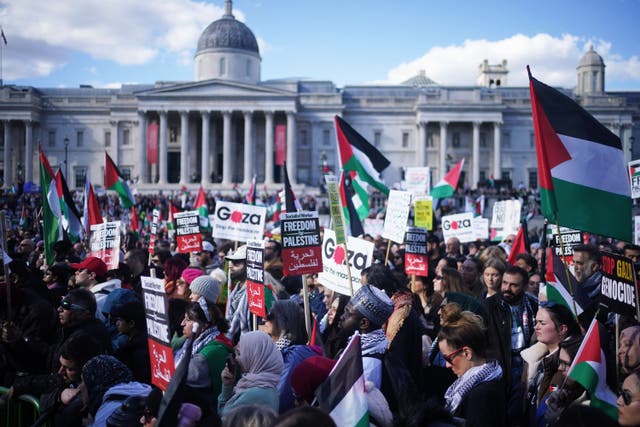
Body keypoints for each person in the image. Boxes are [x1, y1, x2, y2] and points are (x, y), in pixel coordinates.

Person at [484, 265, 538, 424]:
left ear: (525, 286)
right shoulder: (489, 306)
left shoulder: (534, 306)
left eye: (514, 285)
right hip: (499, 369)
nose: (507, 288)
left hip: (525, 366)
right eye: (505, 283)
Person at [437, 304, 506, 427]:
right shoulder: (483, 381)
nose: (447, 365)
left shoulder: (480, 395)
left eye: (448, 358)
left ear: (467, 353)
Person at [521, 302, 581, 427]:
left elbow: (549, 399)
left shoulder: (568, 363)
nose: (536, 327)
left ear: (562, 329)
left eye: (542, 323)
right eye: (536, 322)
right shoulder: (533, 356)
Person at [174, 299, 233, 419]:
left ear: (204, 325)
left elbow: (176, 378)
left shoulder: (205, 356)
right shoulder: (209, 340)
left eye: (188, 319)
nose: (182, 323)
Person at [264, 300, 319, 413]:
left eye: (270, 316)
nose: (265, 319)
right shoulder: (280, 351)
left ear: (284, 321)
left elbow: (280, 399)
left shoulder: (292, 356)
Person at [339, 284, 394, 389]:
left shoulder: (368, 363)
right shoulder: (367, 349)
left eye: (348, 313)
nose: (342, 317)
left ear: (364, 323)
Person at [218, 331, 284, 418]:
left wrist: (226, 389)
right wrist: (228, 384)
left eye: (239, 353)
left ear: (255, 357)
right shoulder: (267, 385)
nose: (236, 358)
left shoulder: (255, 394)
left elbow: (224, 416)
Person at [81, 355, 151, 427]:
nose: (80, 387)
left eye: (83, 381)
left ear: (93, 383)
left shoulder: (106, 412)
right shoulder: (144, 389)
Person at [70, 256, 120, 322]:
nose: (76, 273)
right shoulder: (94, 295)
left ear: (91, 275)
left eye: (80, 270)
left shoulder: (98, 299)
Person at [225, 245, 250, 344]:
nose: (230, 266)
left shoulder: (259, 292)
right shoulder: (235, 290)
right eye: (231, 262)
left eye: (236, 263)